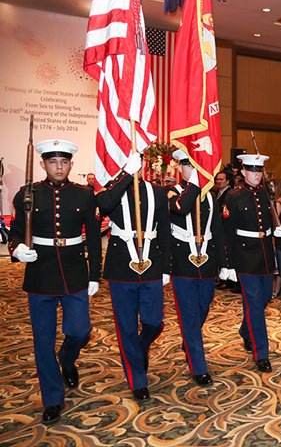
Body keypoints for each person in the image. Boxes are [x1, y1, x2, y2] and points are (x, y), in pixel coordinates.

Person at [8, 139, 101, 424]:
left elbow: (95, 239)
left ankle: (68, 358)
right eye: (52, 162)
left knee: (80, 331)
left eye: (64, 162)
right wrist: (16, 249)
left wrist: (94, 274)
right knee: (42, 340)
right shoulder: (27, 194)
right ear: (43, 164)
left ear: (71, 164)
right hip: (40, 274)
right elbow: (14, 232)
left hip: (74, 272)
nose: (58, 167)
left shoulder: (85, 195)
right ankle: (52, 397)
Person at [97, 151, 170, 402]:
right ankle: (137, 379)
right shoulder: (111, 190)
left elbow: (165, 231)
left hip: (151, 264)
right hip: (121, 267)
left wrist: (167, 268)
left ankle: (140, 348)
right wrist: (126, 175)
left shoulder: (157, 192)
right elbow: (104, 205)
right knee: (126, 326)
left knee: (154, 322)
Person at [222, 154, 281, 373]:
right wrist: (228, 263)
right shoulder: (234, 196)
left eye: (259, 171)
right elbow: (228, 233)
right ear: (243, 172)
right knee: (253, 304)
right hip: (245, 256)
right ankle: (262, 353)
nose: (256, 175)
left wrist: (278, 230)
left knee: (263, 299)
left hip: (266, 254)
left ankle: (245, 330)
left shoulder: (264, 193)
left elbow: (268, 220)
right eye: (252, 171)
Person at [167, 150, 226, 386]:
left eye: (195, 167)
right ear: (181, 168)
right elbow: (180, 209)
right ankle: (198, 366)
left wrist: (225, 262)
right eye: (187, 166)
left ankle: (189, 339)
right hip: (183, 261)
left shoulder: (210, 196)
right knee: (189, 314)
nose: (192, 171)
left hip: (207, 260)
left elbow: (218, 231)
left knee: (203, 306)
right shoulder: (172, 192)